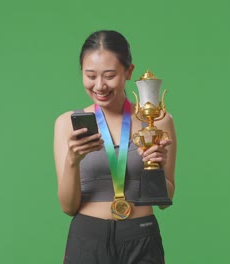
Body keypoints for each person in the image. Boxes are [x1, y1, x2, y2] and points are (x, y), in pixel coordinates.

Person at [53, 29, 177, 264]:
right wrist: (72, 160)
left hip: (141, 236)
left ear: (128, 72)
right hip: (87, 238)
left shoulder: (159, 121)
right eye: (90, 75)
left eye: (109, 75)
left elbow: (165, 201)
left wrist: (156, 167)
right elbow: (68, 207)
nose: (99, 86)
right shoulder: (66, 124)